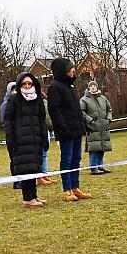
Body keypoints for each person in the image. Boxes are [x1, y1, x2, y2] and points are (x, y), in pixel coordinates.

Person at [47, 58, 92, 201]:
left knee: (76, 159)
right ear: (63, 70)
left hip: (77, 130)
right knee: (66, 159)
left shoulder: (70, 87)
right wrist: (63, 128)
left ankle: (75, 187)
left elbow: (76, 110)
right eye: (70, 68)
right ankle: (67, 190)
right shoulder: (55, 87)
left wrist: (83, 125)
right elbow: (55, 110)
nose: (74, 70)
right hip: (66, 131)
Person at [4, 73, 49, 208]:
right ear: (19, 85)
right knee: (25, 169)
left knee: (34, 167)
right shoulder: (14, 100)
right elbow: (7, 120)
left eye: (29, 83)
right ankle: (27, 198)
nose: (27, 86)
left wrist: (43, 136)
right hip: (20, 140)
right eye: (24, 84)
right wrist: (11, 137)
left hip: (35, 138)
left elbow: (42, 119)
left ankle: (33, 196)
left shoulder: (38, 99)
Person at [80, 80, 112, 174]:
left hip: (103, 127)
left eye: (94, 86)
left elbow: (109, 109)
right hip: (92, 128)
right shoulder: (84, 100)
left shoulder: (103, 98)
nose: (93, 87)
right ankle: (93, 168)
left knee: (102, 147)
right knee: (94, 148)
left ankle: (100, 166)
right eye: (91, 86)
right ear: (88, 88)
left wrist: (108, 119)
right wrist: (90, 120)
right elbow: (81, 112)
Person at [0, 82, 22, 190]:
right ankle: (16, 181)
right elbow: (5, 121)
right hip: (12, 136)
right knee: (14, 159)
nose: (15, 91)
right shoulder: (5, 105)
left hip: (21, 135)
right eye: (13, 89)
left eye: (16, 89)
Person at [37, 90, 56, 185]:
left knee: (45, 153)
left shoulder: (45, 101)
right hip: (39, 129)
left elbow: (49, 116)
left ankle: (45, 174)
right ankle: (39, 176)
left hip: (47, 129)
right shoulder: (35, 102)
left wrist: (51, 127)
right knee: (39, 153)